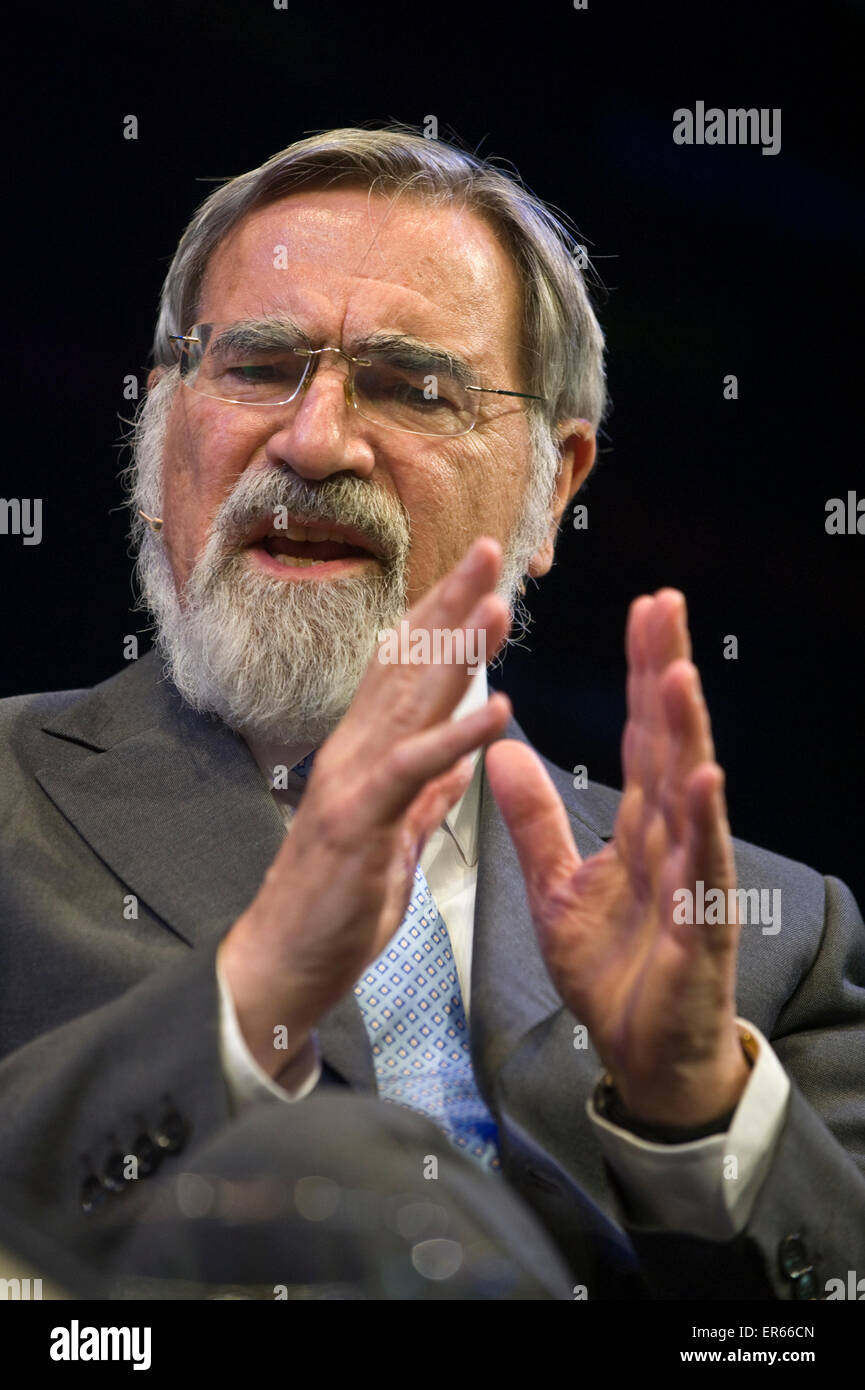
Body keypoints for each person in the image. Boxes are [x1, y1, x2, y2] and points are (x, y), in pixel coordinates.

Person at [1, 126, 862, 1302]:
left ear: (552, 485)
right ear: (161, 441)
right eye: (258, 366)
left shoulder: (769, 941)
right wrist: (249, 996)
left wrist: (695, 1101)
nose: (312, 441)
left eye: (412, 385)